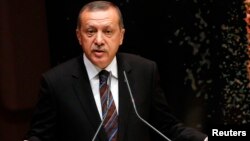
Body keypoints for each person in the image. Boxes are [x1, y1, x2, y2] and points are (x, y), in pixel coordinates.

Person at [24, 1, 208, 141]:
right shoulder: (56, 82)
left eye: (108, 31)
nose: (99, 40)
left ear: (121, 36)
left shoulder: (144, 71)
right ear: (79, 36)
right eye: (90, 31)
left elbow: (167, 126)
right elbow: (40, 136)